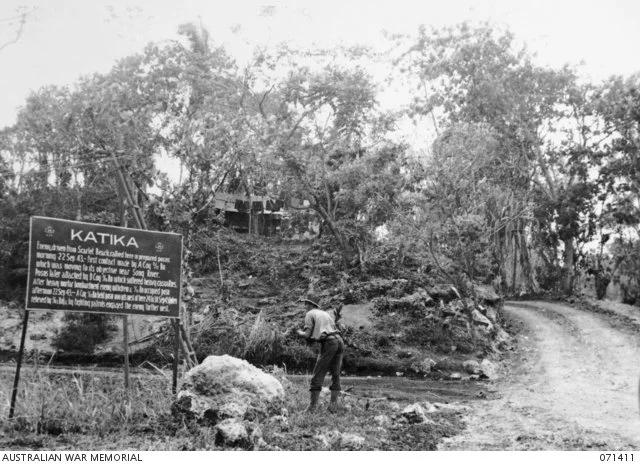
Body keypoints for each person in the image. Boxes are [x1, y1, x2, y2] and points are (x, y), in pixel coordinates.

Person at [296, 294, 345, 413]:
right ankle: (333, 406)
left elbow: (307, 335)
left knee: (319, 372)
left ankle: (312, 407)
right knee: (336, 373)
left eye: (306, 303)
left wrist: (298, 332)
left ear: (312, 305)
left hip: (329, 342)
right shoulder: (324, 313)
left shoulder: (310, 314)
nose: (305, 306)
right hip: (339, 340)